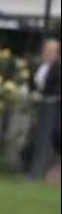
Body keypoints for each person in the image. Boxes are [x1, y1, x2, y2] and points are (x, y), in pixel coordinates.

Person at [26, 37, 60, 179]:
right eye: (46, 50)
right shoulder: (39, 66)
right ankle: (32, 169)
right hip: (40, 105)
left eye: (51, 51)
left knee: (48, 138)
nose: (47, 53)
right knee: (35, 137)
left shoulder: (58, 67)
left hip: (53, 107)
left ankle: (41, 171)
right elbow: (34, 83)